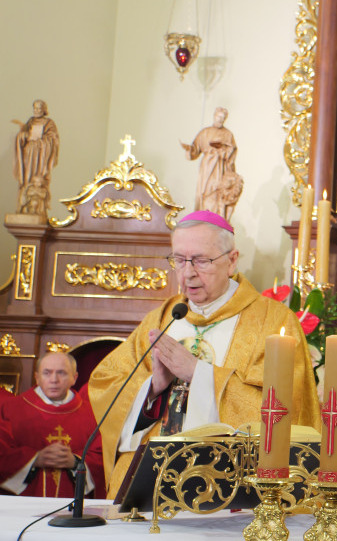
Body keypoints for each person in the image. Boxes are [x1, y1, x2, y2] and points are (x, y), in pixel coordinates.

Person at [89, 210, 318, 495]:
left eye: (201, 260)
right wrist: (153, 387)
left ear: (232, 261)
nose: (187, 273)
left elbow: (285, 407)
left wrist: (199, 374)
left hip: (231, 484)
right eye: (179, 260)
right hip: (154, 478)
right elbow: (106, 384)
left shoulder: (273, 321)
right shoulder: (163, 318)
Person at [0, 352, 103, 498]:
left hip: (73, 504)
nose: (54, 380)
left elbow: (102, 458)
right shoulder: (10, 409)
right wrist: (34, 459)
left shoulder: (92, 414)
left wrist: (75, 462)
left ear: (74, 378)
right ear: (37, 377)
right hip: (24, 502)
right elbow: (2, 454)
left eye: (61, 373)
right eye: (47, 373)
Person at [181, 106, 239, 221]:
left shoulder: (228, 134)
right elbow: (195, 149)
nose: (220, 120)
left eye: (223, 118)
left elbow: (232, 154)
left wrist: (223, 151)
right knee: (205, 192)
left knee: (218, 194)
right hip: (207, 168)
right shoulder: (205, 132)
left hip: (221, 168)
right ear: (214, 116)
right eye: (218, 117)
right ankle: (204, 218)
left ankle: (217, 220)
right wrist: (189, 149)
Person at [12, 99, 59, 217]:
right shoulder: (30, 122)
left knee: (38, 179)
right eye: (35, 108)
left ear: (44, 110)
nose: (37, 111)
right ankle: (24, 204)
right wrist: (23, 136)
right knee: (27, 179)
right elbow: (23, 136)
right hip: (29, 154)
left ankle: (37, 207)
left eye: (39, 108)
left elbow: (53, 139)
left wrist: (40, 142)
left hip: (40, 155)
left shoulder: (49, 123)